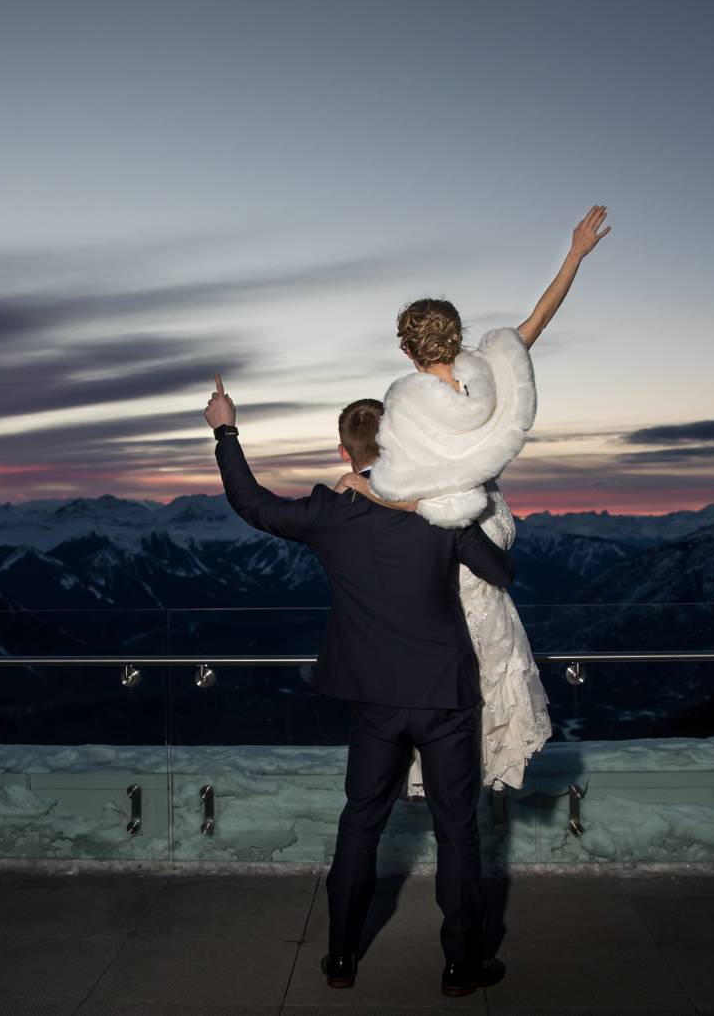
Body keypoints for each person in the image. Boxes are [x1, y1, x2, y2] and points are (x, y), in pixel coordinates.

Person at [204, 378, 510, 997]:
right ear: (400, 439)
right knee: (457, 833)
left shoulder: (329, 512)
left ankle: (341, 958)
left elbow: (252, 503)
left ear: (345, 453)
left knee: (360, 825)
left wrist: (225, 429)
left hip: (374, 699)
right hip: (446, 696)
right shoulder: (437, 508)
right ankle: (460, 966)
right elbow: (501, 572)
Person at [341, 204, 611, 798]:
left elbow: (415, 501)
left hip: (448, 556)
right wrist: (574, 255)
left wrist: (367, 486)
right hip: (490, 529)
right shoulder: (489, 377)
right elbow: (536, 323)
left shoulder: (408, 410)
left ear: (408, 353)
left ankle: (449, 776)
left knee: (453, 675)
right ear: (458, 338)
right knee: (490, 664)